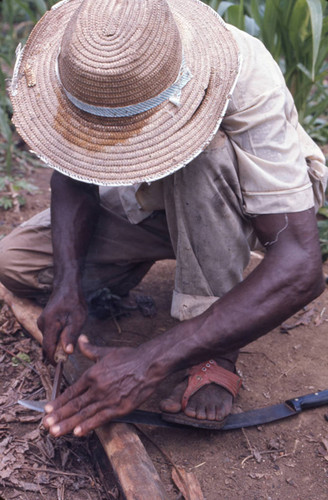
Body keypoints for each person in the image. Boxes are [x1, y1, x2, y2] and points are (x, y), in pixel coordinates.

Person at [0, 0, 327, 437]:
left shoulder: (243, 74)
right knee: (16, 263)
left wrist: (149, 363)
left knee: (203, 155)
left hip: (246, 202)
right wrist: (68, 283)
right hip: (145, 195)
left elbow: (301, 264)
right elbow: (73, 173)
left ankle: (215, 353)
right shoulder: (80, 54)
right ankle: (139, 263)